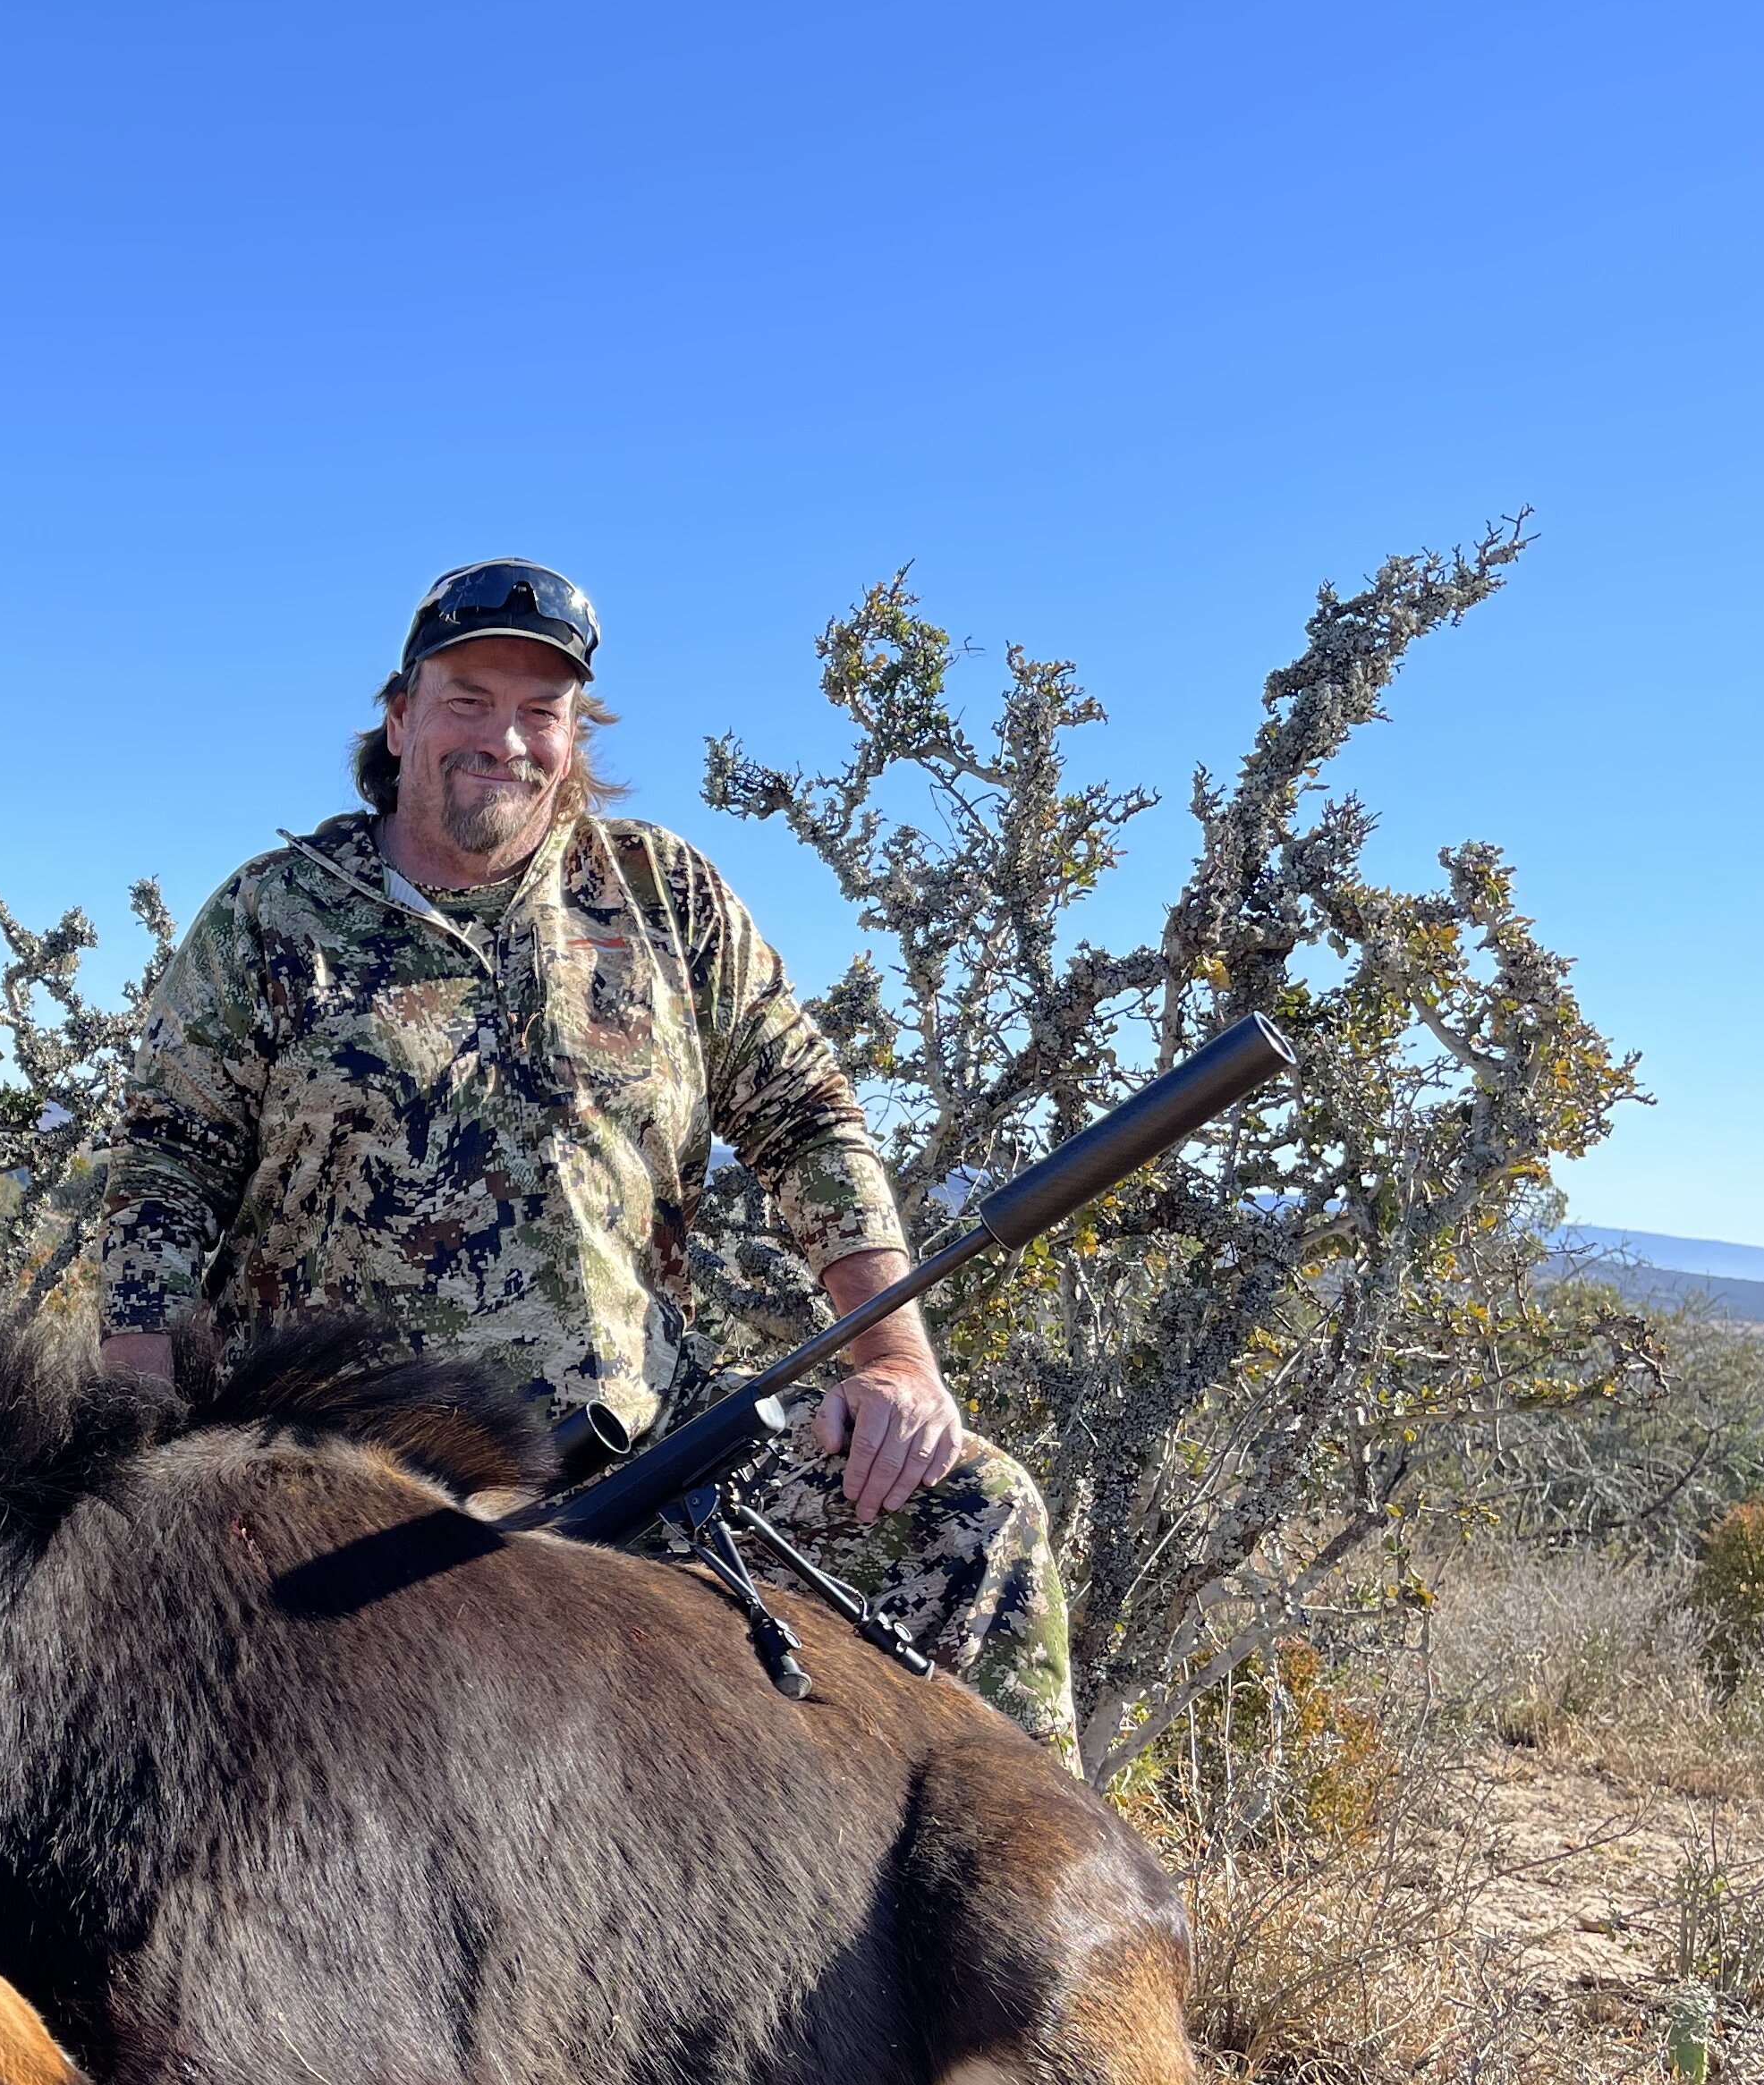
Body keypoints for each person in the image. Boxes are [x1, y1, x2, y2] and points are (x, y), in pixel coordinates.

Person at [93, 559, 1076, 1754]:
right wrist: (135, 1442)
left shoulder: (667, 897)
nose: (503, 739)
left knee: (973, 1510)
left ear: (572, 736)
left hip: (646, 1464)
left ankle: (1002, 1910)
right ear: (400, 719)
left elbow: (809, 1121)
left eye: (539, 710)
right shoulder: (269, 918)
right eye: (467, 700)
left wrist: (895, 1363)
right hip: (345, 1484)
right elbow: (167, 1169)